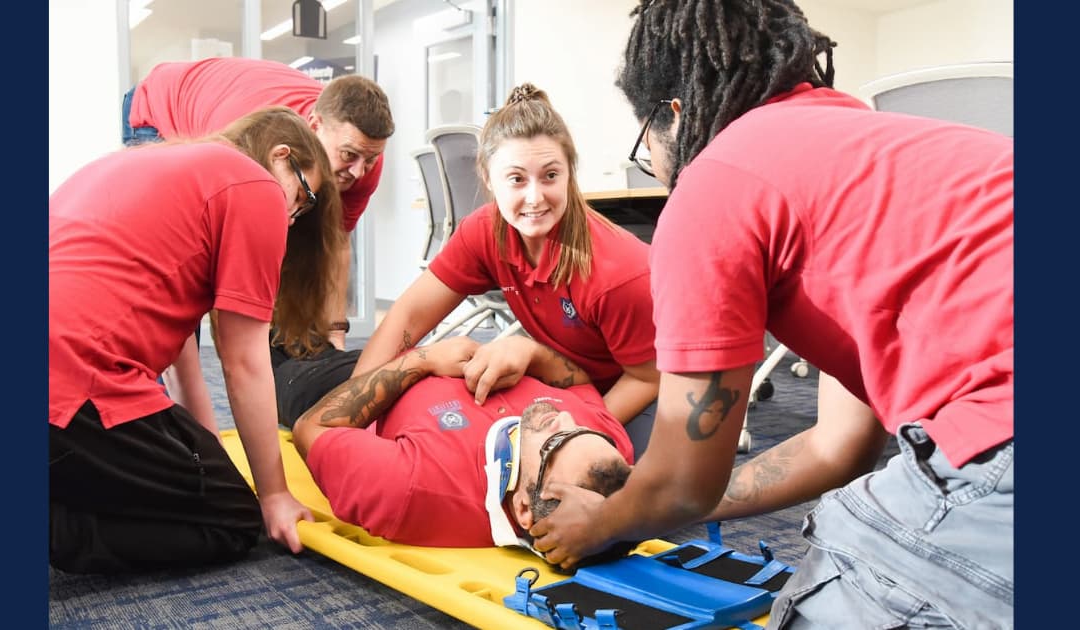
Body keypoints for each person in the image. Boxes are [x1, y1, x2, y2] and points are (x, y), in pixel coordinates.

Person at [528, 2, 1014, 628]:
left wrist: (607, 521)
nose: (652, 161)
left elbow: (679, 480)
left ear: (673, 113)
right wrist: (649, 504)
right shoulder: (866, 160)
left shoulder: (715, 181)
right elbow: (837, 447)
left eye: (646, 139)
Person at [50, 106, 337, 573]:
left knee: (203, 484)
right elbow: (242, 362)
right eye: (302, 196)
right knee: (233, 518)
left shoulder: (143, 163)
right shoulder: (254, 185)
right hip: (72, 379)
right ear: (280, 156)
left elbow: (183, 366)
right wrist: (274, 495)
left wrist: (207, 460)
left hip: (56, 373)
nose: (291, 218)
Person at [353, 83, 660, 457]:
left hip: (640, 388)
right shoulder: (485, 230)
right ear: (488, 177)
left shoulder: (618, 271)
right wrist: (356, 408)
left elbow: (648, 377)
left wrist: (566, 442)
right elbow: (409, 315)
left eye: (550, 176)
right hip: (566, 381)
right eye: (516, 179)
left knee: (602, 498)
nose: (535, 197)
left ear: (570, 175)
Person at [123, 57, 395, 427]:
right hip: (160, 106)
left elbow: (335, 243)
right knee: (177, 295)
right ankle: (158, 425)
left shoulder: (359, 162)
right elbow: (226, 265)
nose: (360, 171)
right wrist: (240, 367)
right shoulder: (248, 144)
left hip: (227, 98)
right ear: (315, 125)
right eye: (349, 155)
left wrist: (334, 339)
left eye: (372, 158)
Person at [291, 335, 635, 562]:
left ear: (524, 508)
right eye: (581, 429)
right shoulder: (608, 454)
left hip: (348, 384)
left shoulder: (412, 488)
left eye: (556, 442)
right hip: (424, 352)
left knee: (279, 353)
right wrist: (530, 351)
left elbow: (312, 426)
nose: (564, 416)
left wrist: (422, 361)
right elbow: (579, 383)